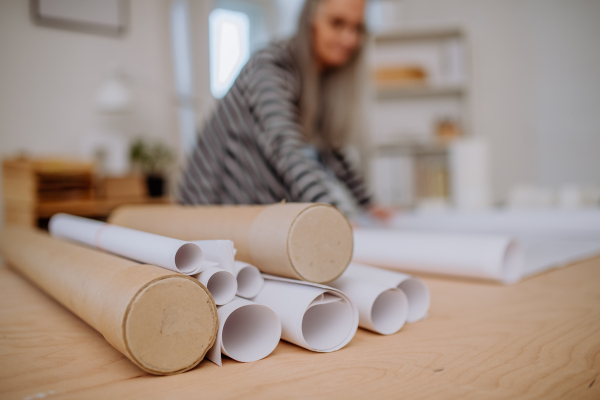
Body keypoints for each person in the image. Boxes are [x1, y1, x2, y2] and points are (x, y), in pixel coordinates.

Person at [178, 0, 391, 220]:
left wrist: (369, 205)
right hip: (212, 212)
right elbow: (285, 148)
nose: (350, 39)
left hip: (256, 215)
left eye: (358, 28)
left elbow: (331, 151)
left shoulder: (320, 80)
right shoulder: (270, 68)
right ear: (310, 21)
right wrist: (333, 215)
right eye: (337, 23)